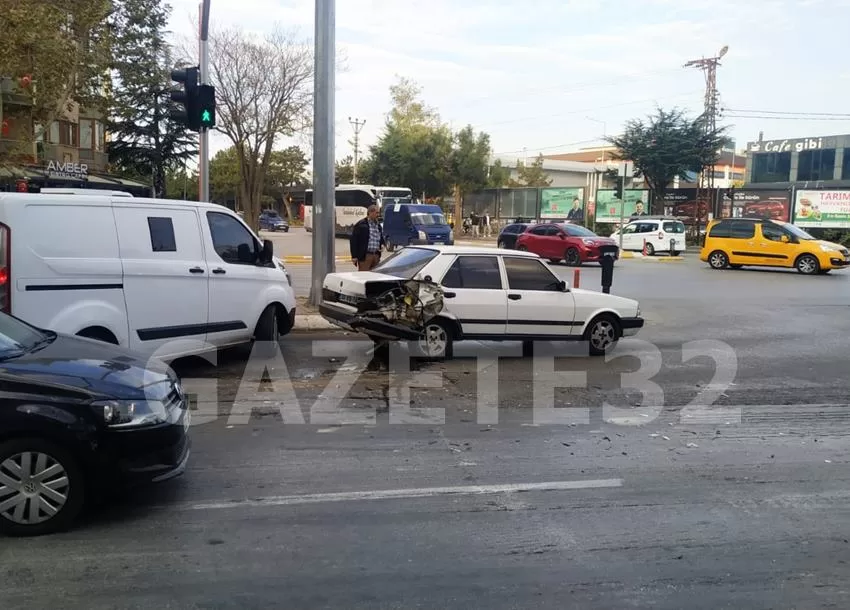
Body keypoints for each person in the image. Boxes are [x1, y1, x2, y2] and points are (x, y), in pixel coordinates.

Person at [350, 204, 385, 271]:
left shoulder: (378, 225)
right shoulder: (361, 225)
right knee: (363, 276)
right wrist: (354, 256)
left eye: (378, 213)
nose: (378, 215)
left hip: (376, 255)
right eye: (376, 213)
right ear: (370, 213)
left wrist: (382, 244)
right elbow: (354, 241)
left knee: (375, 277)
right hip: (365, 256)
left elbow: (380, 237)